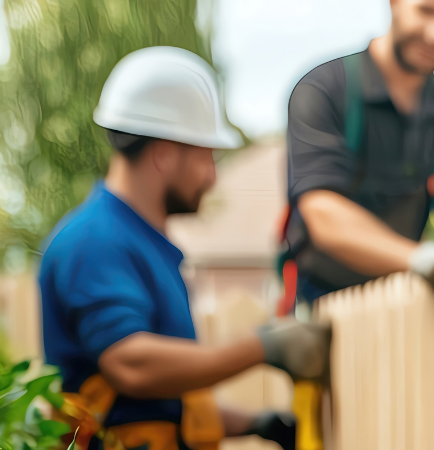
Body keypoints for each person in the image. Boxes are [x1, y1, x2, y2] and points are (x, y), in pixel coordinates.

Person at [40, 46, 330, 450]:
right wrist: (263, 347)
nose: (212, 177)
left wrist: (257, 423)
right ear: (163, 154)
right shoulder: (94, 242)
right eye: (206, 156)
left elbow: (157, 406)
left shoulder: (141, 245)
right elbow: (131, 365)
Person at [280, 0, 434, 310]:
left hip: (404, 305)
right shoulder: (324, 90)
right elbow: (323, 213)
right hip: (321, 306)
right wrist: (420, 258)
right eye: (427, 11)